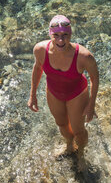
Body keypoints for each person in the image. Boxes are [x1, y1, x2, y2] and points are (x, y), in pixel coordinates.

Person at [27, 15, 99, 170]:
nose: (61, 40)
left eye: (65, 35)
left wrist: (91, 104)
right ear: (50, 35)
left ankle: (81, 154)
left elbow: (95, 78)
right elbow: (37, 68)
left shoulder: (84, 56)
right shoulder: (40, 50)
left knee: (79, 130)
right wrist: (32, 95)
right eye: (56, 36)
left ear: (70, 34)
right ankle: (69, 146)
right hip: (54, 93)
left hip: (77, 95)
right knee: (61, 124)